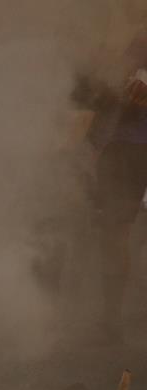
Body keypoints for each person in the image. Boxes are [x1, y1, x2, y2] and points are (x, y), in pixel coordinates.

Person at [90, 25, 147, 339]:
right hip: (124, 145)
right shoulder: (135, 35)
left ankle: (111, 321)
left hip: (131, 147)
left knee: (116, 234)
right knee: (116, 234)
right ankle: (110, 320)